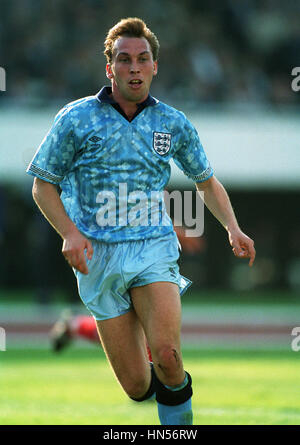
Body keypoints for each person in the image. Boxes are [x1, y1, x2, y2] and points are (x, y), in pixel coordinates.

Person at [27, 17, 255, 425]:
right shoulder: (76, 118)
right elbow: (43, 186)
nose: (134, 67)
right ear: (109, 68)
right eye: (124, 59)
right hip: (97, 256)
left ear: (154, 66)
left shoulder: (172, 123)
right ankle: (159, 394)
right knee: (136, 386)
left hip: (153, 247)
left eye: (142, 58)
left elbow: (206, 182)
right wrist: (70, 233)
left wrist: (233, 228)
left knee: (168, 356)